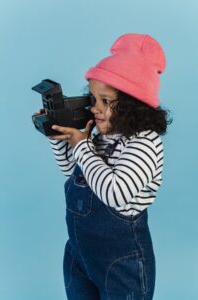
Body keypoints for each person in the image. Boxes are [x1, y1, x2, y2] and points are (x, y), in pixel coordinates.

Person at [44, 33, 172, 299]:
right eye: (93, 99)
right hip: (81, 256)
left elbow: (114, 193)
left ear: (131, 105)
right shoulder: (102, 137)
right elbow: (74, 173)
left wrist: (82, 145)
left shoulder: (145, 143)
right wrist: (61, 137)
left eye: (105, 101)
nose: (95, 109)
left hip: (122, 263)